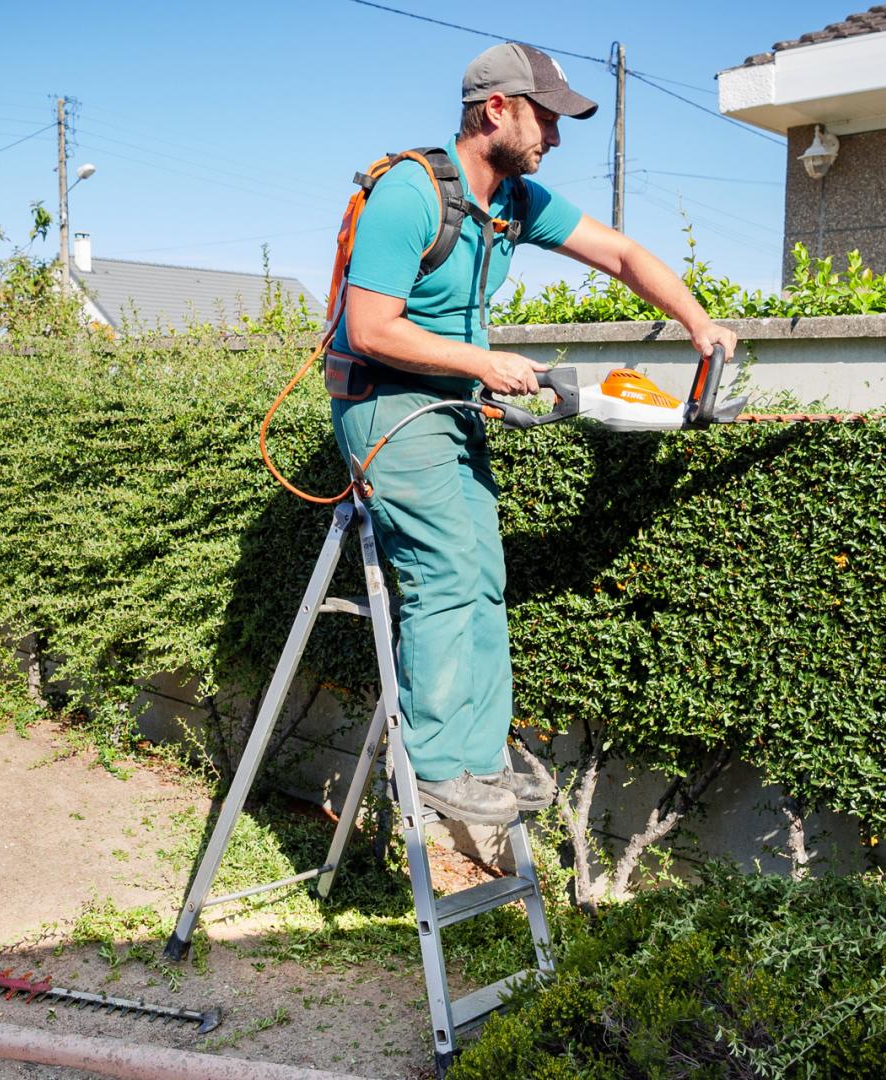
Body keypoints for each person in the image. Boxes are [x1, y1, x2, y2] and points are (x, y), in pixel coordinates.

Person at [328, 41, 738, 824]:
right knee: (446, 570)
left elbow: (616, 252)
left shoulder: (512, 200)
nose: (554, 135)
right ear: (496, 110)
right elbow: (370, 327)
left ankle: (478, 759)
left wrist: (697, 321)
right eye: (544, 117)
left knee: (483, 572)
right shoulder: (410, 194)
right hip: (385, 404)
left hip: (448, 406)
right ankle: (438, 765)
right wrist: (481, 360)